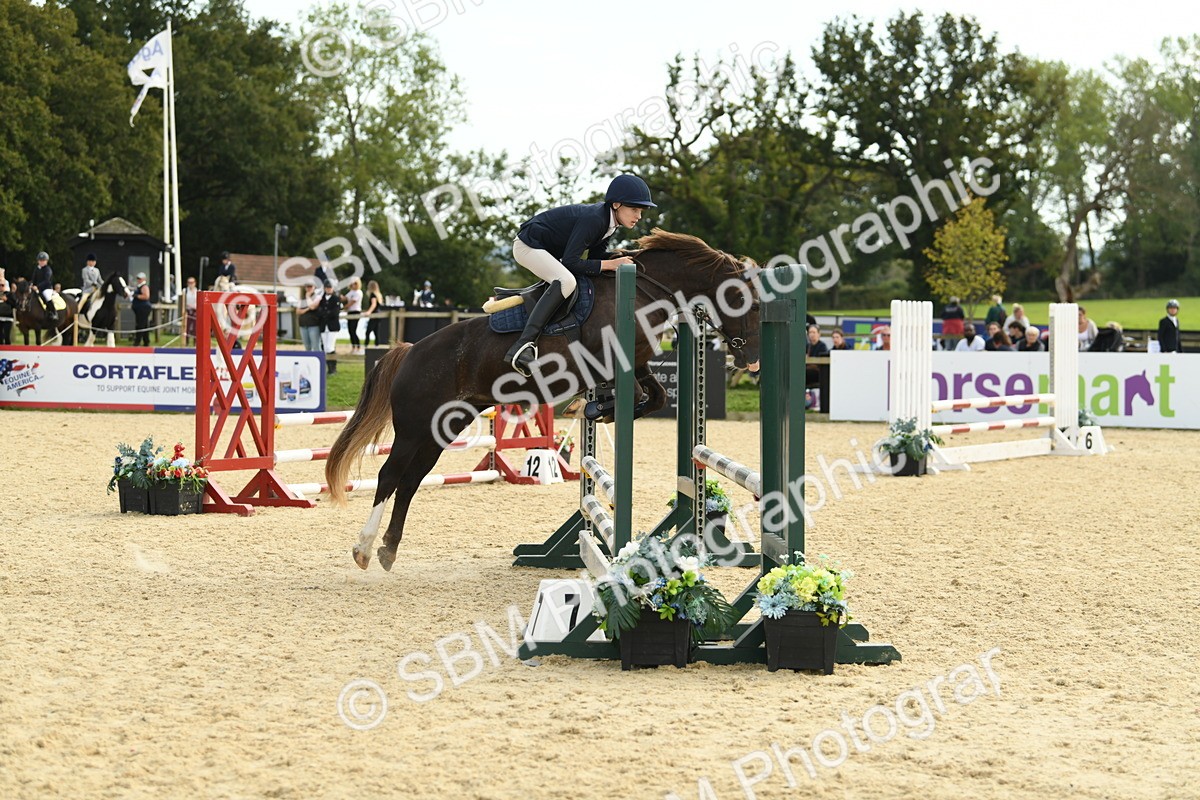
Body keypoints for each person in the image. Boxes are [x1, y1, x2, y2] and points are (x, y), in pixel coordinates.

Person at [503, 173, 654, 375]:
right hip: (528, 246)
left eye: (641, 211)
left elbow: (598, 256)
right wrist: (611, 264)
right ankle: (523, 346)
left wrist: (630, 256)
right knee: (566, 281)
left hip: (546, 250)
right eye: (634, 209)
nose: (639, 216)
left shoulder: (609, 223)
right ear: (617, 204)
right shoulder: (595, 219)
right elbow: (571, 262)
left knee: (571, 278)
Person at [317, 280, 342, 373]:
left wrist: (325, 313)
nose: (328, 289)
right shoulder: (322, 299)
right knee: (325, 347)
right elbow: (319, 312)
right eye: (327, 288)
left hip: (332, 326)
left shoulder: (336, 298)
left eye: (330, 287)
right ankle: (328, 367)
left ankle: (333, 368)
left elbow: (335, 312)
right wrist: (325, 313)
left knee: (330, 347)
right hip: (324, 326)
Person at [297, 281, 322, 351]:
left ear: (314, 287)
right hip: (303, 324)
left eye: (310, 286)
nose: (309, 288)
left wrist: (308, 297)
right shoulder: (302, 299)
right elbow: (298, 311)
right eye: (307, 287)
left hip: (313, 324)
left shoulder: (317, 297)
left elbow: (312, 307)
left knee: (316, 345)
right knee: (307, 346)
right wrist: (307, 309)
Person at [32, 251, 57, 323]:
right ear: (38, 261)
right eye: (40, 260)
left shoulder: (48, 269)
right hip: (38, 288)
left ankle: (54, 312)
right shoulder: (37, 269)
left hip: (46, 288)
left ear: (46, 261)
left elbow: (47, 281)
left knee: (47, 296)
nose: (42, 262)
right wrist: (32, 284)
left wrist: (37, 286)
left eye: (43, 261)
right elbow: (34, 279)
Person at [342, 278, 363, 355]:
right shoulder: (351, 292)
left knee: (353, 330)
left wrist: (344, 307)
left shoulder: (358, 292)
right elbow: (345, 298)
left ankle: (357, 347)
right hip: (350, 312)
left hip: (356, 312)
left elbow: (352, 302)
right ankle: (353, 347)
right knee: (350, 331)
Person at [131, 272, 152, 346]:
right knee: (144, 325)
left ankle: (137, 341)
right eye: (138, 278)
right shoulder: (139, 286)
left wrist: (136, 296)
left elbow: (146, 296)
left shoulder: (144, 287)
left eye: (140, 278)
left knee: (140, 325)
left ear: (144, 279)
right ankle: (146, 341)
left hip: (143, 308)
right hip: (139, 308)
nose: (138, 280)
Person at [363, 279, 384, 347]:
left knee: (368, 332)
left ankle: (366, 346)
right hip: (378, 315)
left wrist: (368, 312)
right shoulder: (378, 295)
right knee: (376, 332)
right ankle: (376, 346)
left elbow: (373, 304)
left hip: (374, 315)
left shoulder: (373, 295)